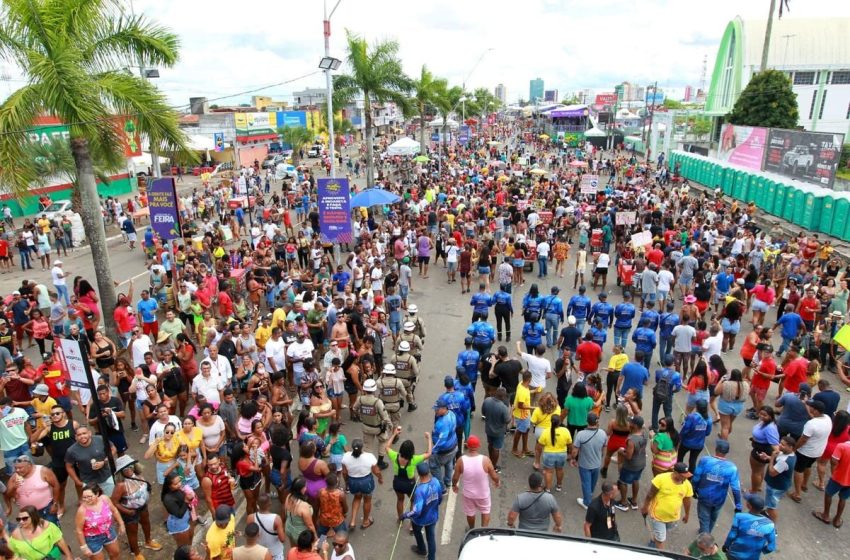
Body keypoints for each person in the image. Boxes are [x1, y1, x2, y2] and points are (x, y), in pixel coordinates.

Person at [110, 455, 161, 560]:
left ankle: (148, 541)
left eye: (130, 466)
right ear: (121, 471)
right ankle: (136, 553)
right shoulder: (121, 485)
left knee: (146, 524)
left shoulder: (138, 475)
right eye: (125, 468)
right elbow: (114, 501)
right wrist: (127, 511)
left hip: (143, 507)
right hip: (130, 512)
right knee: (132, 532)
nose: (129, 470)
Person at [692, 439, 743, 535]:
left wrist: (693, 489)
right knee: (713, 518)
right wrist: (738, 506)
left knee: (704, 518)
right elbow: (736, 488)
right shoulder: (732, 467)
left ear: (716, 449)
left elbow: (696, 476)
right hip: (719, 499)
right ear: (726, 452)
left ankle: (705, 537)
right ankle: (707, 532)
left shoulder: (705, 460)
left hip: (704, 496)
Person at [641, 462, 693, 550]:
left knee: (661, 533)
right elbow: (650, 494)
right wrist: (645, 506)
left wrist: (687, 514)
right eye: (683, 476)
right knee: (661, 539)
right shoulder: (661, 479)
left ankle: (654, 541)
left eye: (686, 476)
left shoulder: (687, 484)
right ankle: (661, 554)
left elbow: (687, 500)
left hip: (673, 517)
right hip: (658, 516)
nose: (685, 478)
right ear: (675, 472)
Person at [788, 399, 832, 503]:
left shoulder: (811, 424)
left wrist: (794, 449)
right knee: (808, 466)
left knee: (798, 470)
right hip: (818, 451)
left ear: (816, 410)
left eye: (811, 407)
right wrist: (806, 406)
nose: (810, 408)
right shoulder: (827, 418)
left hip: (805, 451)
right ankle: (804, 484)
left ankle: (797, 494)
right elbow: (815, 419)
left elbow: (803, 439)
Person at [452, 434, 500, 528]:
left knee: (470, 513)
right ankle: (483, 531)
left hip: (468, 494)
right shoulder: (485, 460)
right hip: (483, 494)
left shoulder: (461, 461)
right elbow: (494, 476)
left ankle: (472, 529)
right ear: (478, 446)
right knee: (485, 511)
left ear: (468, 446)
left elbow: (455, 477)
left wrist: (454, 485)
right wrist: (497, 481)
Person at [384, 428, 432, 522]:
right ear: (412, 451)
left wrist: (394, 434)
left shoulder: (395, 456)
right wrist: (429, 438)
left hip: (397, 483)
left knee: (400, 500)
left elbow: (387, 447)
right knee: (413, 501)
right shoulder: (414, 459)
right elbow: (429, 453)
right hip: (410, 484)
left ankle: (400, 518)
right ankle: (411, 524)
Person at [402, 462, 443, 560]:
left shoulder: (420, 490)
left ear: (418, 474)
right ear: (428, 471)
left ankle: (422, 549)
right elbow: (440, 498)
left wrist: (405, 515)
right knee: (431, 538)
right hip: (433, 516)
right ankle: (431, 558)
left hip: (420, 519)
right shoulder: (436, 481)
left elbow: (417, 511)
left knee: (417, 531)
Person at [75, 483, 125, 560]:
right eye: (84, 497)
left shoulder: (105, 499)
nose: (86, 499)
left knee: (115, 553)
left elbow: (114, 510)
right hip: (92, 539)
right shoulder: (82, 510)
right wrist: (84, 547)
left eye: (89, 497)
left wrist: (121, 523)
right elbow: (79, 530)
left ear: (97, 494)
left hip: (108, 531)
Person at [4, 455, 60, 524]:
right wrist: (13, 488)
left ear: (29, 465)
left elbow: (56, 485)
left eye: (20, 468)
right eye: (16, 468)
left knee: (53, 530)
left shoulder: (43, 471)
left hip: (46, 510)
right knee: (35, 533)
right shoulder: (14, 477)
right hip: (27, 514)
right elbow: (7, 495)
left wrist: (55, 504)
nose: (17, 470)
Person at [341, 438, 381, 530]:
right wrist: (380, 478)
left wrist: (347, 482)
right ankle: (366, 521)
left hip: (353, 481)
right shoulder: (369, 456)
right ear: (362, 448)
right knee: (367, 500)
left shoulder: (346, 456)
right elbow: (376, 471)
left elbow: (344, 472)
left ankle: (352, 521)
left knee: (357, 498)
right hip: (366, 481)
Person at [65, 426, 116, 497]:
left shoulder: (100, 439)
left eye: (84, 433)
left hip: (106, 477)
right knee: (92, 503)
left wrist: (104, 462)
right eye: (79, 435)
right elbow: (69, 467)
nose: (82, 436)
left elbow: (113, 449)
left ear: (89, 433)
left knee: (112, 498)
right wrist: (77, 481)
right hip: (88, 481)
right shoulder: (71, 451)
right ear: (76, 437)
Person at [8, 505, 74, 560]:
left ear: (33, 517)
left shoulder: (47, 526)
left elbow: (60, 541)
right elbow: (12, 553)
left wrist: (69, 556)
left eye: (24, 518)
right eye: (18, 519)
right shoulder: (15, 534)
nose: (21, 522)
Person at [722, 494, 776, 560]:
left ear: (749, 506)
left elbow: (732, 536)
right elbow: (771, 547)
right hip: (753, 557)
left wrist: (726, 546)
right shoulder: (770, 525)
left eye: (747, 501)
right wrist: (761, 550)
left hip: (735, 553)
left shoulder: (739, 517)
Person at [572, 412, 607, 509]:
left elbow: (575, 450)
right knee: (593, 482)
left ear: (587, 421)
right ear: (597, 421)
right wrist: (601, 455)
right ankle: (589, 494)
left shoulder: (581, 434)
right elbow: (604, 446)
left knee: (586, 483)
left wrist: (573, 459)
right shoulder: (602, 433)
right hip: (597, 463)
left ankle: (587, 502)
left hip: (584, 464)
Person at [813, 438, 850, 528]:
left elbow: (833, 461)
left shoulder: (842, 446)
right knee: (843, 498)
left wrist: (834, 474)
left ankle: (825, 515)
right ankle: (837, 520)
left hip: (838, 477)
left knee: (829, 494)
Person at [615, 415, 648, 512]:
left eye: (631, 423)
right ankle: (634, 501)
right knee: (635, 480)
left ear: (636, 426)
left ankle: (623, 503)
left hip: (631, 465)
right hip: (641, 462)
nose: (629, 423)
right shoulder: (644, 434)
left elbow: (629, 456)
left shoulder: (631, 440)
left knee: (622, 482)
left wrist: (621, 451)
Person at [429, 395, 458, 489]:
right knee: (449, 464)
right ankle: (448, 481)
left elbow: (441, 441)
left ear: (444, 408)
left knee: (434, 466)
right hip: (453, 445)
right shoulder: (452, 414)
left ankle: (441, 488)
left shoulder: (442, 423)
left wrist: (432, 450)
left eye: (437, 409)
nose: (435, 411)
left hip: (444, 450)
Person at [246, 493, 286, 560]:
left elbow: (249, 535)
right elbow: (282, 539)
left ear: (257, 504)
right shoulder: (276, 519)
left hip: (259, 552)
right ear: (270, 504)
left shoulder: (251, 517)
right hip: (274, 553)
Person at [481, 388, 511, 472]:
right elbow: (507, 420)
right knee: (496, 448)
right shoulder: (503, 407)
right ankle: (493, 466)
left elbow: (483, 413)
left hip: (488, 429)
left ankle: (490, 460)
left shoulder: (487, 401)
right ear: (503, 397)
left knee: (490, 444)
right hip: (498, 432)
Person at [511, 371, 533, 458]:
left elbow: (526, 393)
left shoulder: (521, 384)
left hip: (525, 414)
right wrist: (533, 408)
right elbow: (521, 405)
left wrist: (534, 390)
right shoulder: (522, 391)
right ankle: (514, 449)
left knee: (526, 430)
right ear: (529, 379)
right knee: (519, 431)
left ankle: (525, 449)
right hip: (522, 415)